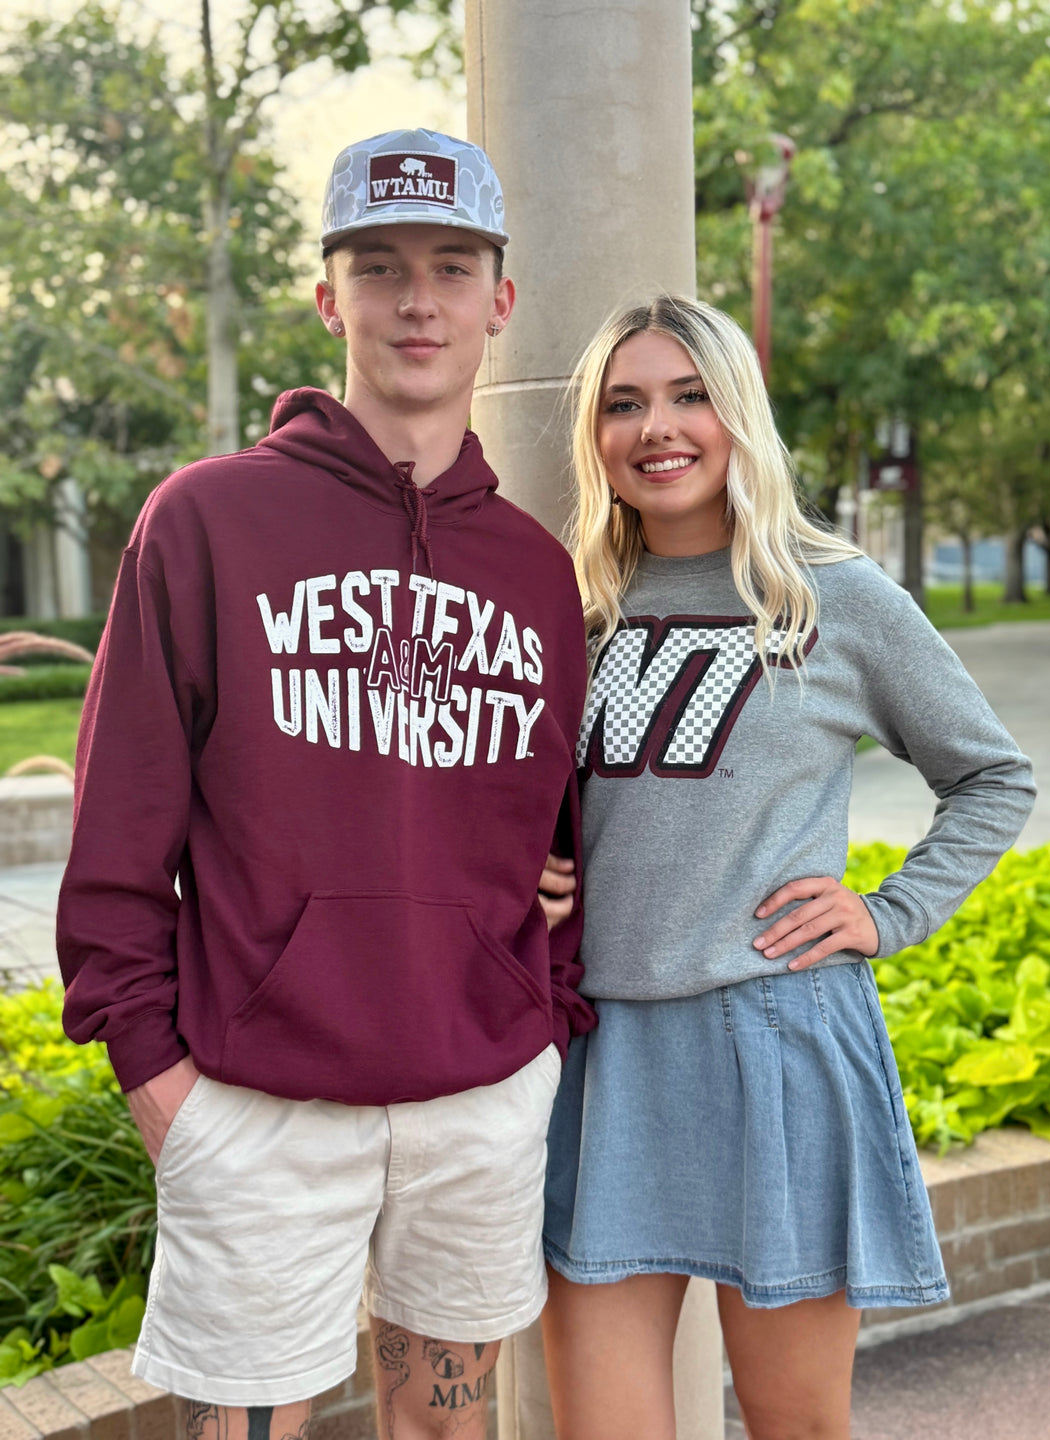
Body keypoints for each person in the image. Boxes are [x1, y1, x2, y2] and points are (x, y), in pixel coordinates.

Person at [57, 128, 596, 1440]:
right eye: (381, 265)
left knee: (447, 1428)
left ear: (498, 301)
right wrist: (160, 1084)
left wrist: (543, 1019)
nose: (419, 299)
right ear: (329, 296)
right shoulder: (205, 521)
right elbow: (120, 825)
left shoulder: (534, 572)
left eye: (453, 266)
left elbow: (562, 842)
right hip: (257, 1101)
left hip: (477, 1092)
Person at [536, 295, 1036, 1440]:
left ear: (737, 413)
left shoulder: (833, 595)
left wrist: (888, 911)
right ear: (595, 436)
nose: (656, 427)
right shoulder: (571, 608)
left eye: (688, 393)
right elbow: (516, 806)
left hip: (779, 1043)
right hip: (601, 1057)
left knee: (796, 1426)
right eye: (623, 403)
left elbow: (992, 777)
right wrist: (526, 874)